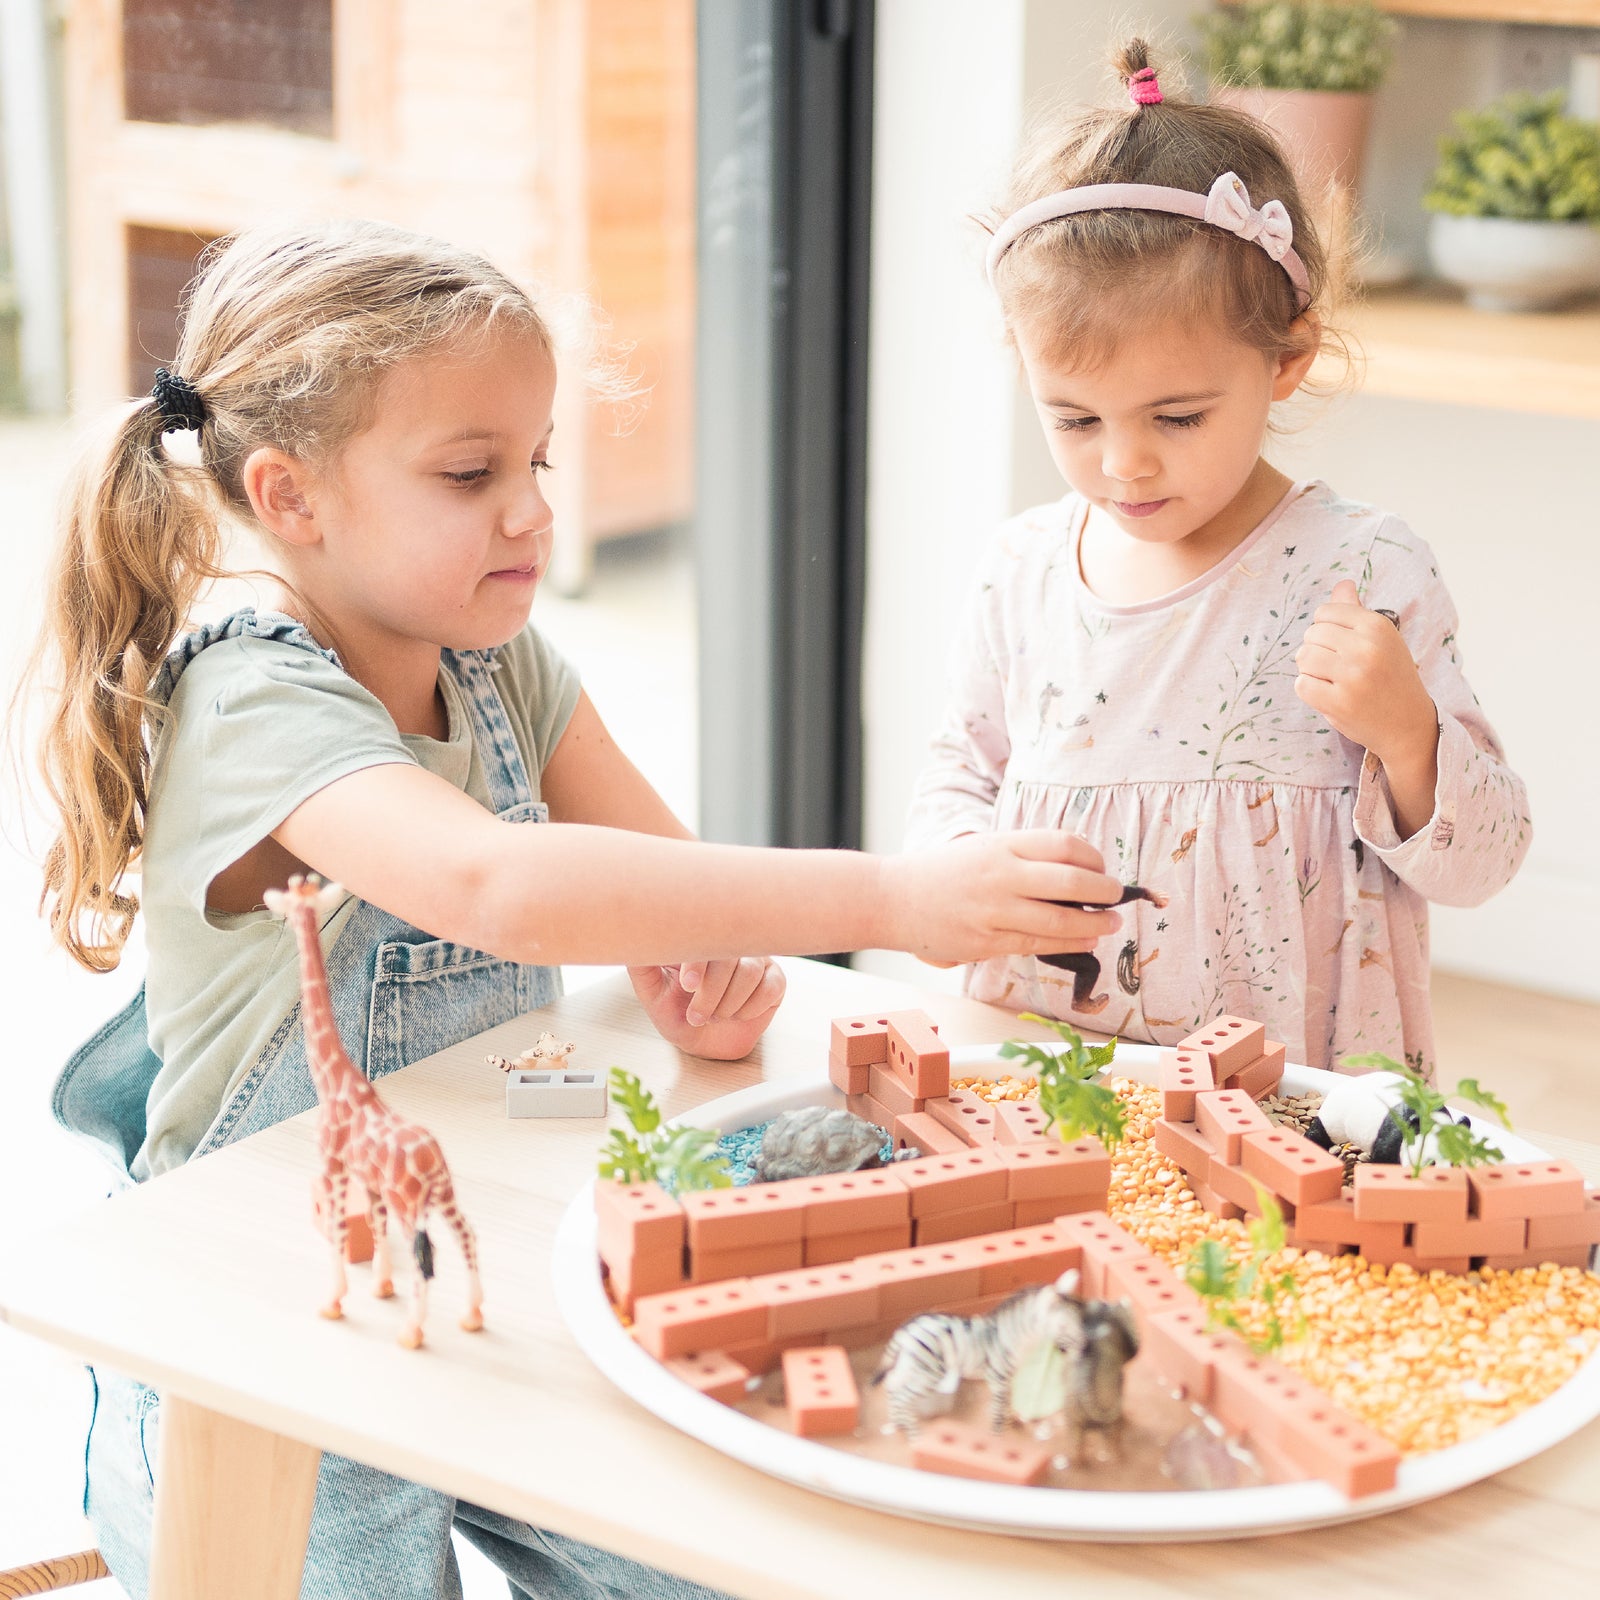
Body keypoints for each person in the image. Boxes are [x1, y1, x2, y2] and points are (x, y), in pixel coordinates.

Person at [21, 218, 1125, 1600]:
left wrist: (695, 967)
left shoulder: (500, 665)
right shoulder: (253, 696)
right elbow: (501, 886)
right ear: (289, 497)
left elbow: (666, 884)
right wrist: (896, 896)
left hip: (490, 1271)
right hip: (270, 1334)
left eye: (535, 462)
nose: (532, 511)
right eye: (470, 473)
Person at [906, 41, 1530, 1077]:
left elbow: (1487, 862)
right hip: (1048, 1076)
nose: (1123, 463)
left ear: (1288, 358)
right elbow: (960, 774)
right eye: (1073, 418)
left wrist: (1410, 737)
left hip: (1290, 1099)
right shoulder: (1019, 572)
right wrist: (949, 874)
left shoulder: (1363, 570)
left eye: (1178, 415)